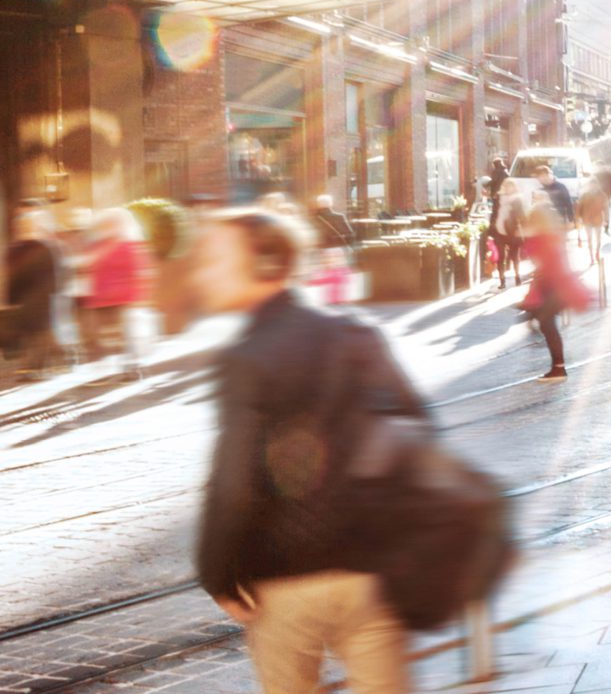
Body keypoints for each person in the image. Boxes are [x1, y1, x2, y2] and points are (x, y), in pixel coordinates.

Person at [192, 209, 423, 693]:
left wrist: (217, 573)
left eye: (214, 258)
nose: (200, 271)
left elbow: (235, 479)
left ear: (264, 263)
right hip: (373, 569)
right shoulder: (354, 333)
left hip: (288, 580)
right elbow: (414, 431)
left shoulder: (247, 358)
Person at [79, 208, 156, 371]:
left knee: (127, 336)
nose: (108, 227)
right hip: (100, 299)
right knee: (105, 337)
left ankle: (132, 367)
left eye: (113, 224)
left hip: (124, 299)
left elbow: (141, 272)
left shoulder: (130, 246)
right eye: (106, 224)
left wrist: (141, 298)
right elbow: (87, 267)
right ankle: (108, 366)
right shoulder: (97, 245)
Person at [519, 204, 591, 382]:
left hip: (552, 287)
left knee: (547, 325)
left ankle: (558, 368)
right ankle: (558, 367)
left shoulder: (541, 238)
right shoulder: (552, 236)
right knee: (546, 324)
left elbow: (534, 257)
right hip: (555, 286)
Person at [4, 207, 67, 375]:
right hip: (25, 298)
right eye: (22, 225)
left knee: (39, 332)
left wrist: (53, 292)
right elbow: (12, 276)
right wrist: (11, 299)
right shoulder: (16, 248)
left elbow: (57, 274)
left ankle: (34, 367)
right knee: (33, 332)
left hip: (42, 297)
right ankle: (39, 363)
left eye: (28, 225)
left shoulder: (46, 247)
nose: (24, 228)